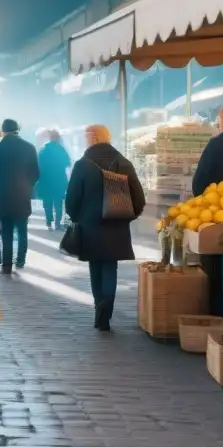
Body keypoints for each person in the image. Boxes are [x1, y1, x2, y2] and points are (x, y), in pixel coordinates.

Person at [65, 124, 145, 331]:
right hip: (116, 224)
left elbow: (72, 198)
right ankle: (106, 307)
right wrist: (127, 216)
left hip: (90, 225)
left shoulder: (82, 165)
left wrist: (76, 217)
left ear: (91, 139)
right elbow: (139, 198)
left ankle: (99, 304)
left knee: (95, 265)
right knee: (110, 266)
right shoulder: (124, 163)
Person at [0, 119, 39, 273]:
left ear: (3, 130)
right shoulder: (30, 148)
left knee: (6, 230)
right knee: (22, 229)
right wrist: (27, 186)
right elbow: (36, 174)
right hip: (22, 196)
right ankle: (20, 260)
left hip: (1, 197)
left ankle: (6, 264)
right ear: (17, 130)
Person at [37, 129, 72, 231]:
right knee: (58, 203)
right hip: (59, 180)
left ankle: (48, 222)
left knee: (47, 202)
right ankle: (57, 223)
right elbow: (68, 163)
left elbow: (38, 164)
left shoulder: (43, 149)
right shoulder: (61, 149)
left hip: (46, 180)